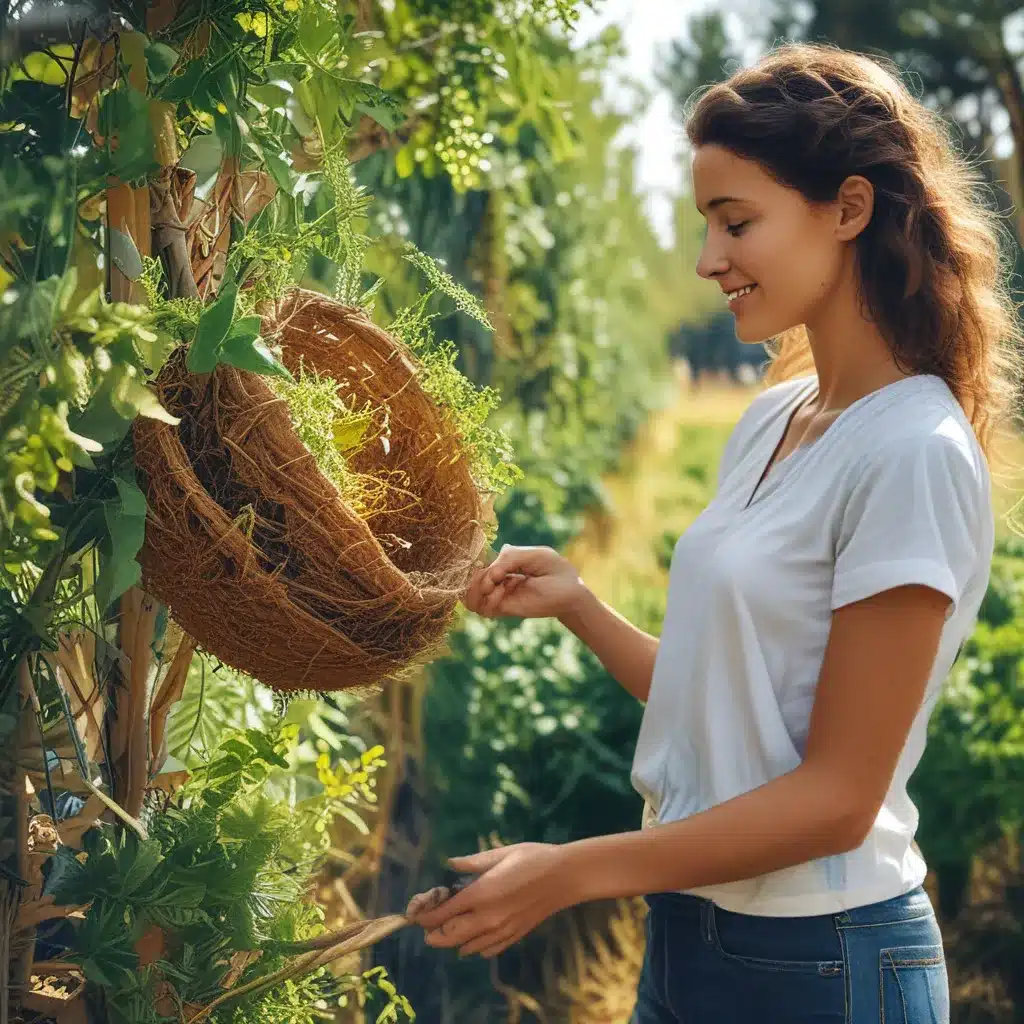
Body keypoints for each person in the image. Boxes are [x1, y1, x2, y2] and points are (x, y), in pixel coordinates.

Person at [407, 42, 1023, 1023]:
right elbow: (729, 702)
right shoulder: (771, 419)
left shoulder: (911, 451)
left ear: (849, 210)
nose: (707, 260)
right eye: (707, 223)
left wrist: (571, 872)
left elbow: (835, 799)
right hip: (689, 944)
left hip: (824, 962)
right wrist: (578, 604)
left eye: (736, 222)